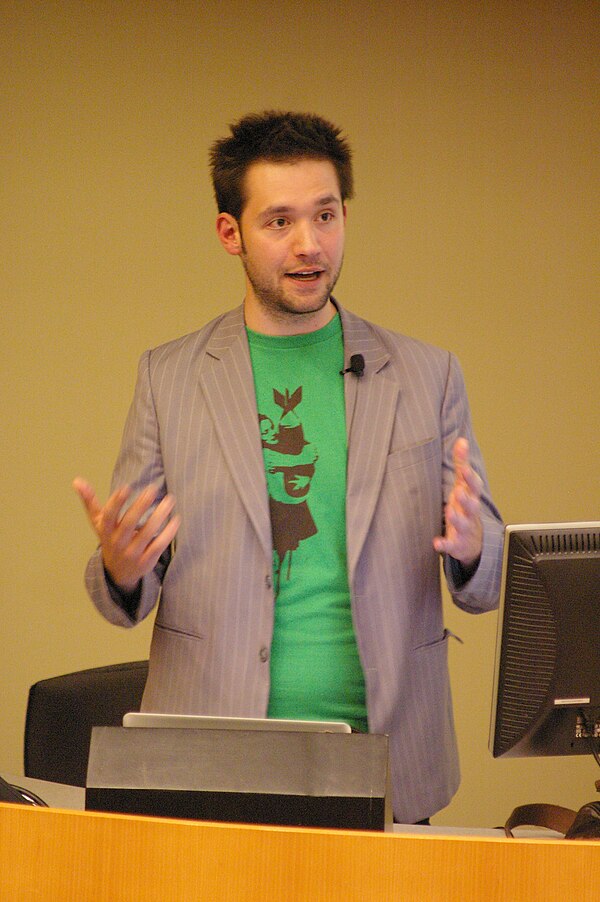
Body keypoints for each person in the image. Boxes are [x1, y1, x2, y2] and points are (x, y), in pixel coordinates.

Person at [74, 111, 504, 825]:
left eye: (326, 215)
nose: (310, 245)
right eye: (278, 222)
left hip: (388, 760)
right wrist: (121, 564)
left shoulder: (427, 375)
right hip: (211, 760)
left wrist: (473, 546)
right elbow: (126, 587)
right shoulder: (170, 377)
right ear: (230, 233)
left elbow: (488, 578)